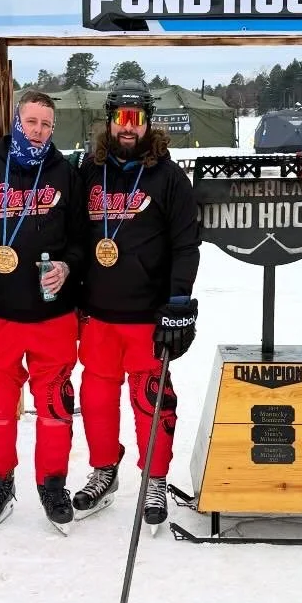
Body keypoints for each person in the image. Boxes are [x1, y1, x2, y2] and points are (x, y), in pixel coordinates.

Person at [0, 89, 89, 531]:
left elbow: (83, 238)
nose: (39, 131)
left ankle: (52, 482)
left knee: (55, 404)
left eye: (47, 123)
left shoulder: (65, 171)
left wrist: (67, 265)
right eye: (32, 122)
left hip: (52, 315)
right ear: (15, 121)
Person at [72, 80, 200, 531]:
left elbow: (187, 244)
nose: (128, 128)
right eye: (121, 118)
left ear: (149, 121)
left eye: (137, 118)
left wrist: (179, 302)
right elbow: (69, 236)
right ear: (108, 121)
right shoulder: (89, 170)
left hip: (147, 315)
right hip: (99, 314)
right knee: (97, 398)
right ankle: (104, 469)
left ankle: (155, 478)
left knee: (153, 399)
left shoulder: (168, 176)